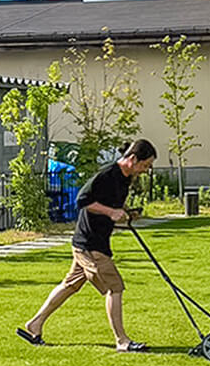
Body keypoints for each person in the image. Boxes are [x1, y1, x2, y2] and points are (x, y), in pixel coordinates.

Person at [16, 139, 157, 351]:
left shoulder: (125, 178)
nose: (145, 170)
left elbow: (110, 202)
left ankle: (34, 324)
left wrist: (126, 212)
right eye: (145, 165)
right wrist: (111, 212)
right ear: (133, 159)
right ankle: (122, 341)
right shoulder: (107, 175)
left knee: (70, 285)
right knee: (114, 287)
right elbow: (82, 200)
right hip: (90, 245)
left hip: (94, 241)